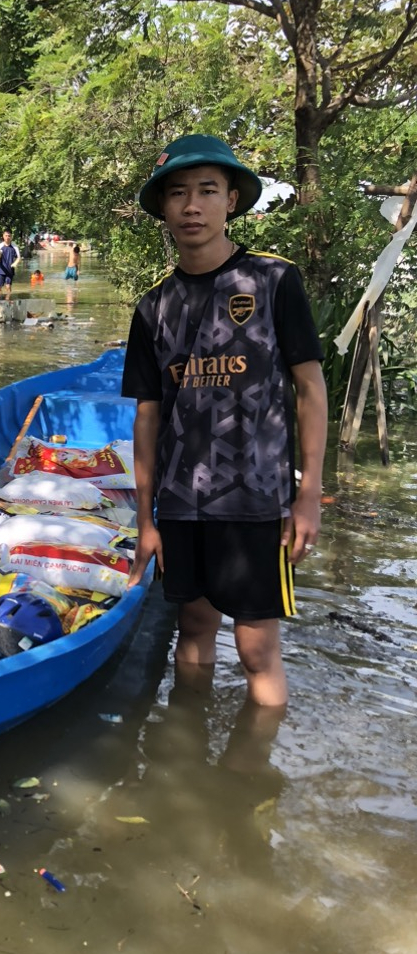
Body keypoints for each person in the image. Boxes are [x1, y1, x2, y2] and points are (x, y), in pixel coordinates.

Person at [122, 133, 328, 707]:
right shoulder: (152, 306)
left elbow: (310, 387)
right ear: (162, 207)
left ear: (231, 200)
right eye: (179, 193)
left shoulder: (273, 281)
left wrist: (308, 493)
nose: (192, 206)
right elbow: (148, 415)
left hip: (258, 500)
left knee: (257, 647)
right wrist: (146, 518)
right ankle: (188, 765)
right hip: (183, 501)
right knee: (192, 631)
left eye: (208, 191)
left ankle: (254, 783)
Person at [0, 228, 21, 300]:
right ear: (3, 236)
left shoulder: (14, 246)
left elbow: (19, 258)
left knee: (8, 286)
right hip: (0, 270)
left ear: (11, 237)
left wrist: (15, 264)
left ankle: (7, 300)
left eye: (9, 236)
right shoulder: (0, 246)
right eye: (6, 235)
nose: (7, 237)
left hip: (10, 270)